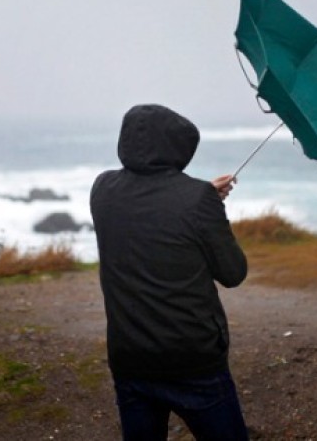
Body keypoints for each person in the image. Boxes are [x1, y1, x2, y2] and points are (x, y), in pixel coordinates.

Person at [90, 104, 249, 440]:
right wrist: (208, 203)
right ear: (180, 147)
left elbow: (152, 206)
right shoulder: (196, 200)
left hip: (129, 356)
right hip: (193, 359)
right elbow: (233, 272)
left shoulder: (102, 189)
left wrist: (203, 197)